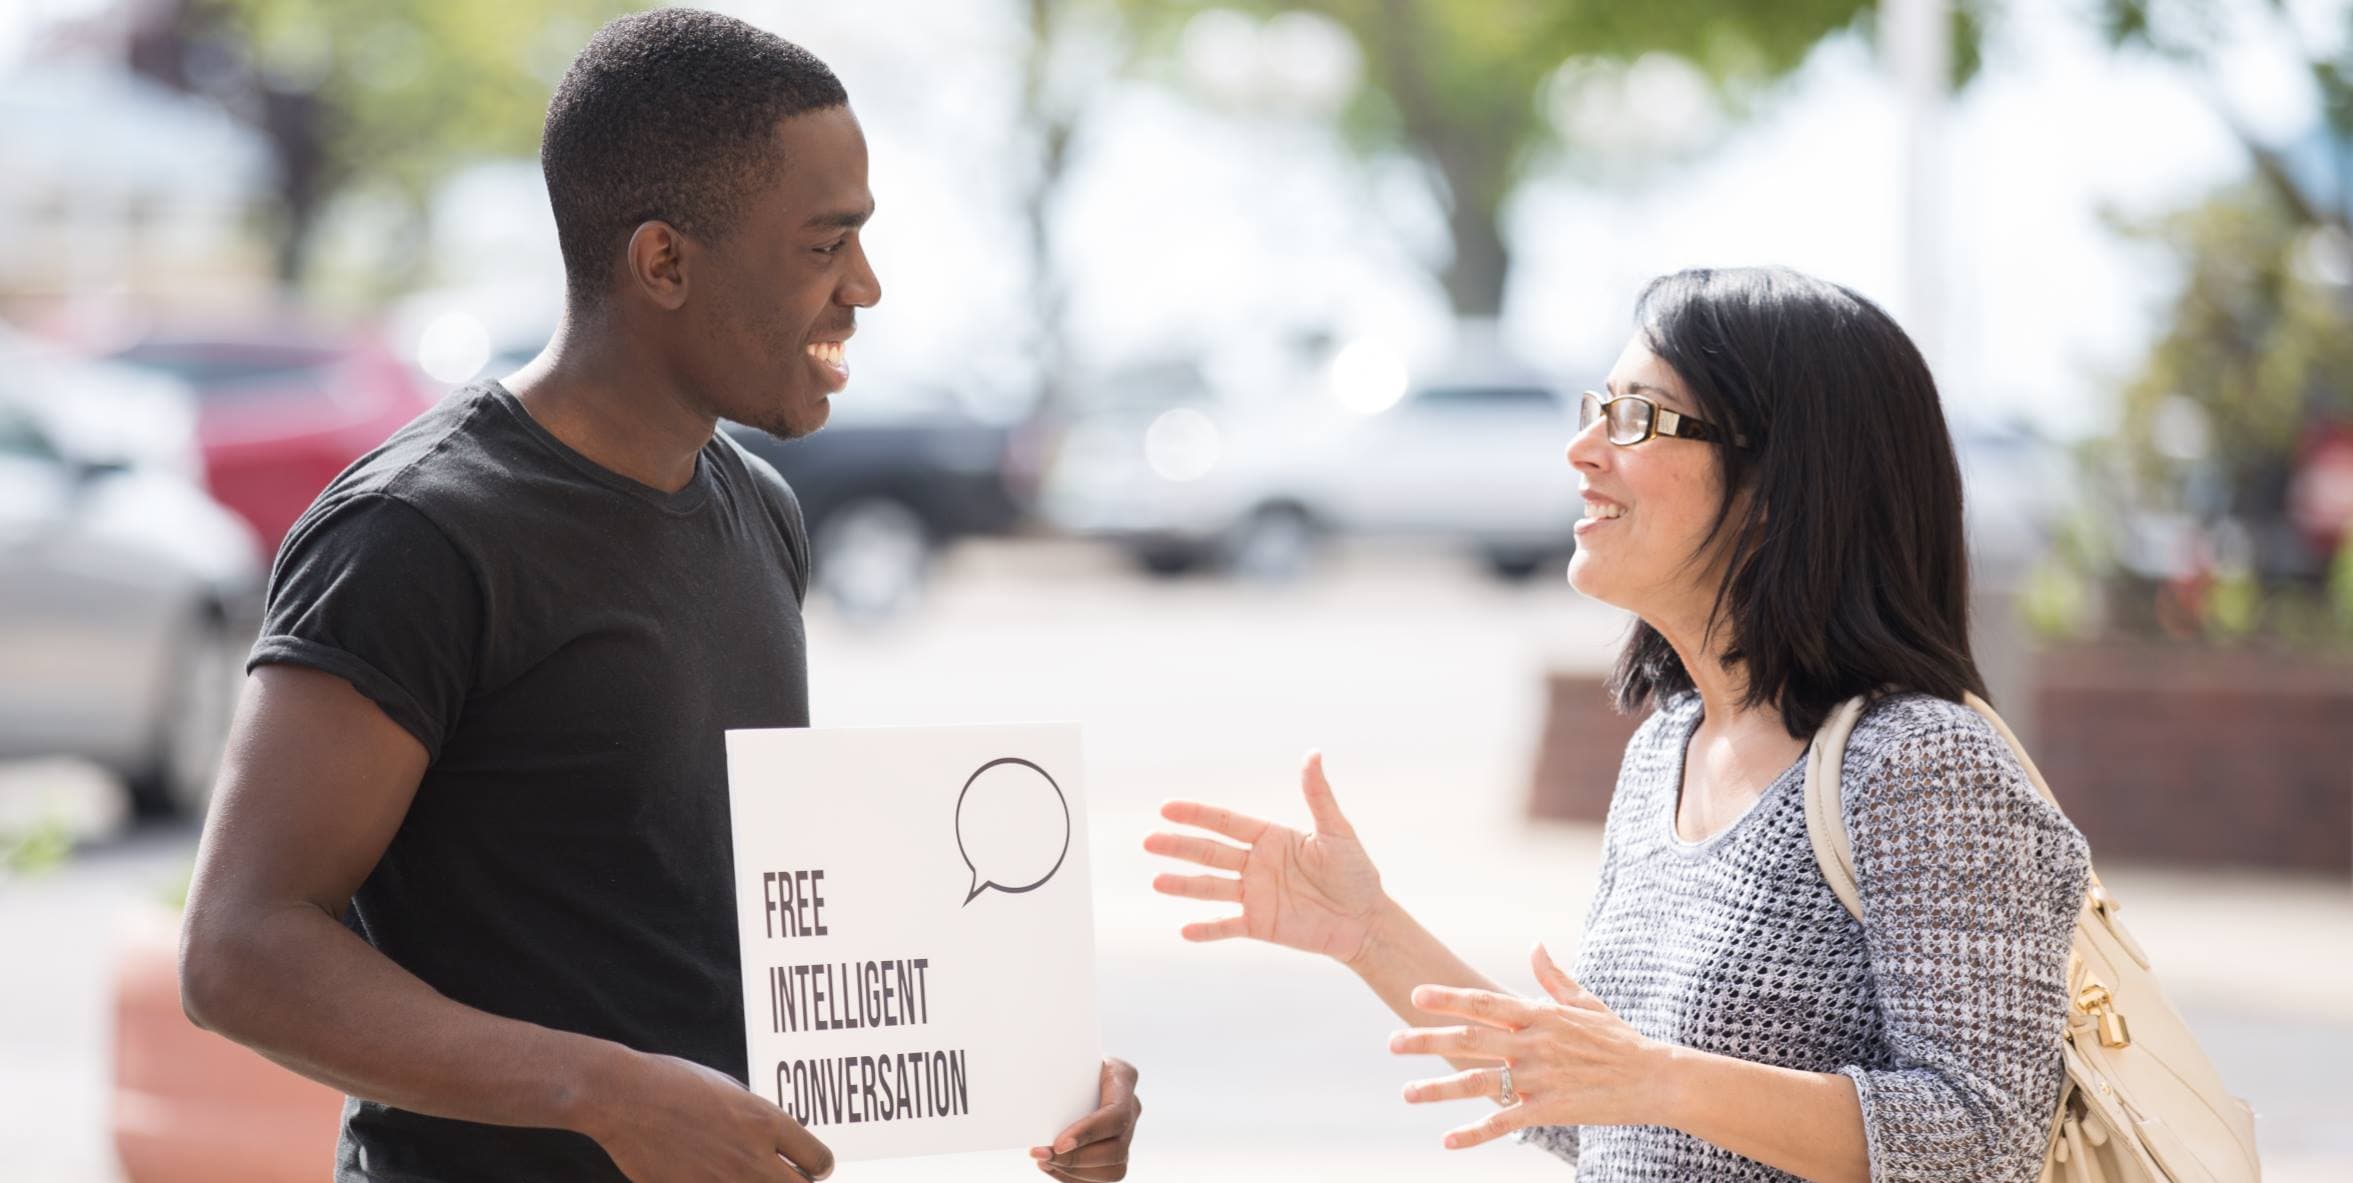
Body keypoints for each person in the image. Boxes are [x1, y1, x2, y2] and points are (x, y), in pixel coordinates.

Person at [178, 11, 1139, 1182]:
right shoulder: (419, 533)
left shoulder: (759, 509)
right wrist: (599, 1093)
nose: (867, 288)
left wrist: (1020, 1072)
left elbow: (726, 914)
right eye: (824, 244)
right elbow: (239, 949)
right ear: (664, 262)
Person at [1147, 266, 2090, 1182]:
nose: (1583, 449)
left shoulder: (1920, 763)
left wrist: (1659, 1079)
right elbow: (1607, 1120)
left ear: (1781, 479)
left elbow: (1982, 1141)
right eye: (1594, 410)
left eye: (1636, 416)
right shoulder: (1664, 751)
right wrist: (1367, 931)